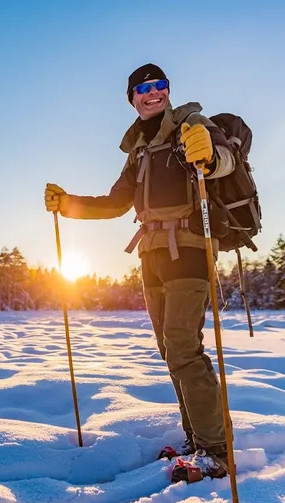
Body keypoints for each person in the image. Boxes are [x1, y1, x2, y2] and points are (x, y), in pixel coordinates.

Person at [44, 63, 234, 480]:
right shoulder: (139, 150)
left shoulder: (192, 124)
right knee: (171, 353)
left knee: (185, 348)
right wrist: (67, 203)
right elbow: (115, 203)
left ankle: (216, 451)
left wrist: (210, 154)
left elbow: (224, 163)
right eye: (143, 88)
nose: (153, 93)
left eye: (159, 86)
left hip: (189, 250)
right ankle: (195, 438)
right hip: (151, 257)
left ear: (168, 90)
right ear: (132, 98)